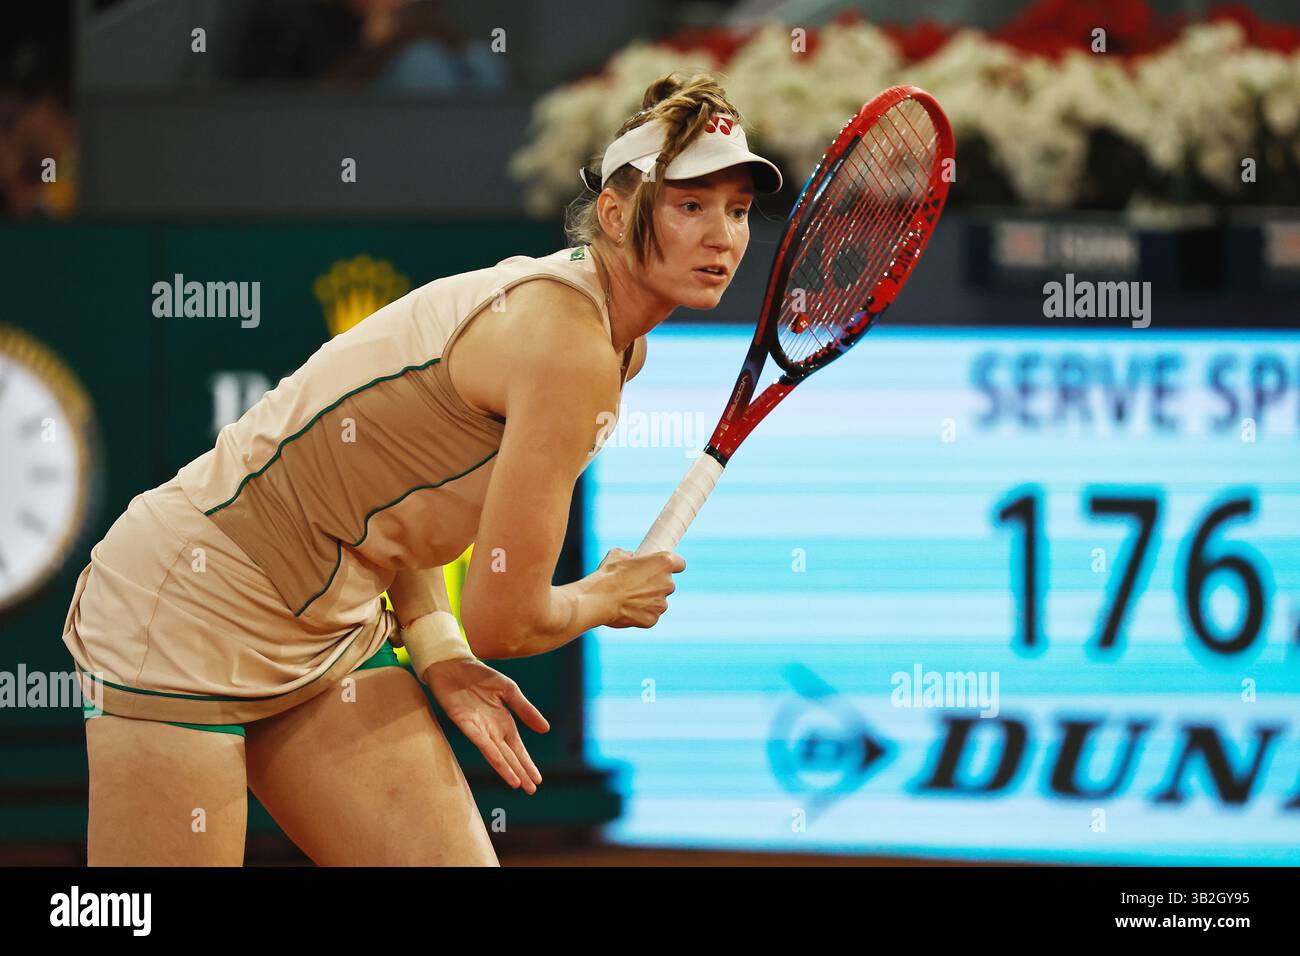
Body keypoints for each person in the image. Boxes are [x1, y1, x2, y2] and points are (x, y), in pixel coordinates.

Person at [61, 70, 781, 866]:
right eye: (691, 206)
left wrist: (436, 651)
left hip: (326, 628)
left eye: (738, 211)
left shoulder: (612, 339)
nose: (724, 237)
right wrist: (605, 598)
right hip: (189, 606)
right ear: (614, 215)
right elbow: (507, 620)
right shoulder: (565, 344)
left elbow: (397, 500)